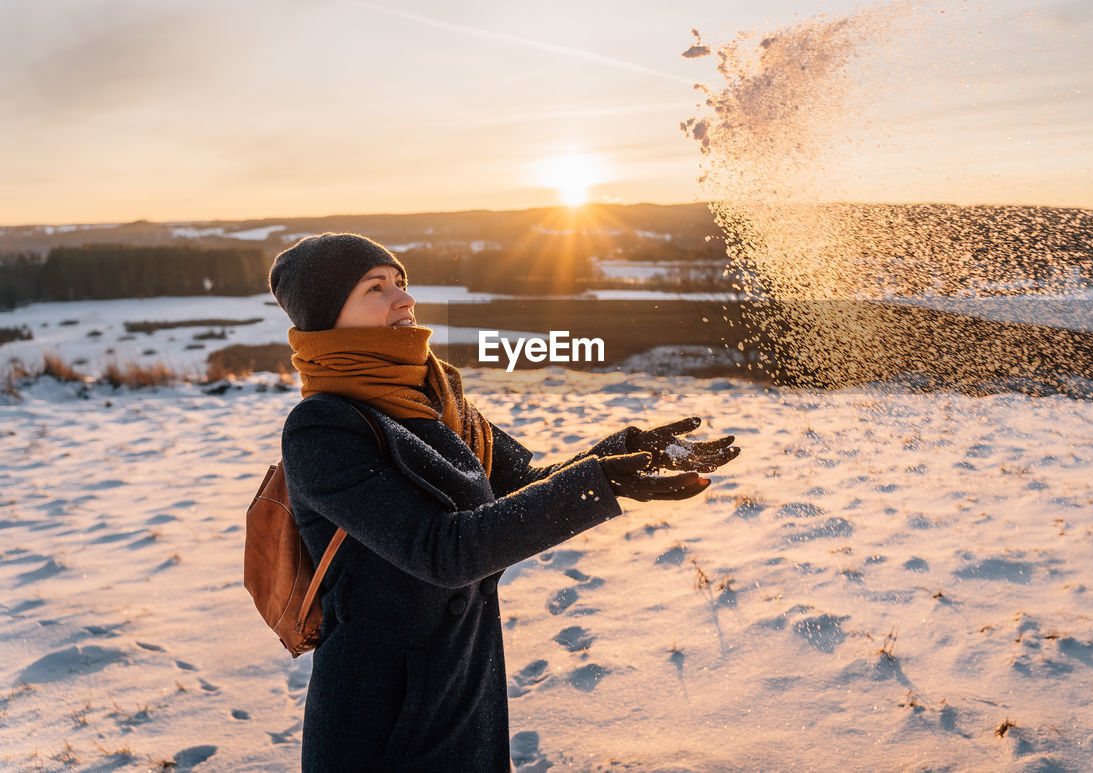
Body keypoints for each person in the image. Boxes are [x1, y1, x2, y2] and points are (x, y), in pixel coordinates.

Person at [268, 233, 740, 772]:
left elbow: (523, 486)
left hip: (464, 690)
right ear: (328, 318)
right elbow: (442, 551)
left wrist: (624, 453)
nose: (404, 299)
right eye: (376, 288)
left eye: (400, 282)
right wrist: (600, 484)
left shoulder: (436, 397)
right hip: (382, 716)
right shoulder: (323, 426)